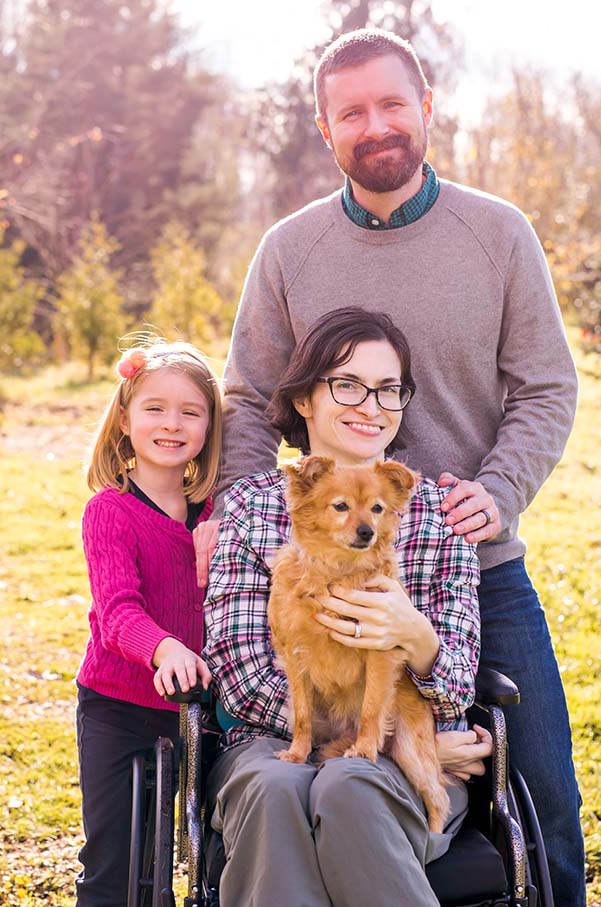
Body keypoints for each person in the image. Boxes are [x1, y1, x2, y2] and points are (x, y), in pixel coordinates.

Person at [196, 28, 584, 907]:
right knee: (309, 779)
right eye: (353, 112)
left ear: (428, 109)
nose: (377, 125)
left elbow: (547, 386)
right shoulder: (289, 250)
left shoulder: (498, 233)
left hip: (464, 555)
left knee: (545, 792)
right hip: (320, 550)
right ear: (325, 129)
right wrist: (245, 512)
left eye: (392, 104)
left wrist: (501, 490)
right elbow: (250, 397)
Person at [204, 308, 489, 907]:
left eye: (389, 389)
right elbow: (240, 672)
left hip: (399, 747)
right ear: (304, 398)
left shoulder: (438, 511)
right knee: (279, 788)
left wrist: (417, 637)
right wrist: (355, 735)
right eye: (347, 384)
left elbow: (459, 681)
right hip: (276, 739)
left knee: (351, 786)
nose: (371, 404)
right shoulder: (254, 508)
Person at [74, 338, 222, 907]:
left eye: (191, 411)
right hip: (121, 706)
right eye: (154, 408)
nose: (172, 424)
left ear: (210, 427)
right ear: (124, 420)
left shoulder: (220, 512)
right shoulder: (110, 511)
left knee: (209, 853)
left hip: (204, 709)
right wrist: (164, 649)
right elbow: (117, 613)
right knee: (117, 861)